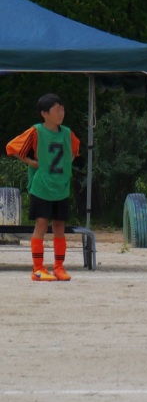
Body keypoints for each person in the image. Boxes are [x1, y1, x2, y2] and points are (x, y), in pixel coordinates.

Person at [6, 93, 81, 281]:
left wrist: (67, 164)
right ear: (44, 113)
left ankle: (59, 267)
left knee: (59, 226)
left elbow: (75, 150)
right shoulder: (36, 131)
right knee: (41, 224)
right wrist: (31, 162)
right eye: (57, 110)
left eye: (62, 109)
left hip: (61, 186)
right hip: (42, 186)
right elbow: (12, 146)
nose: (61, 113)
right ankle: (38, 268)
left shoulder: (67, 132)